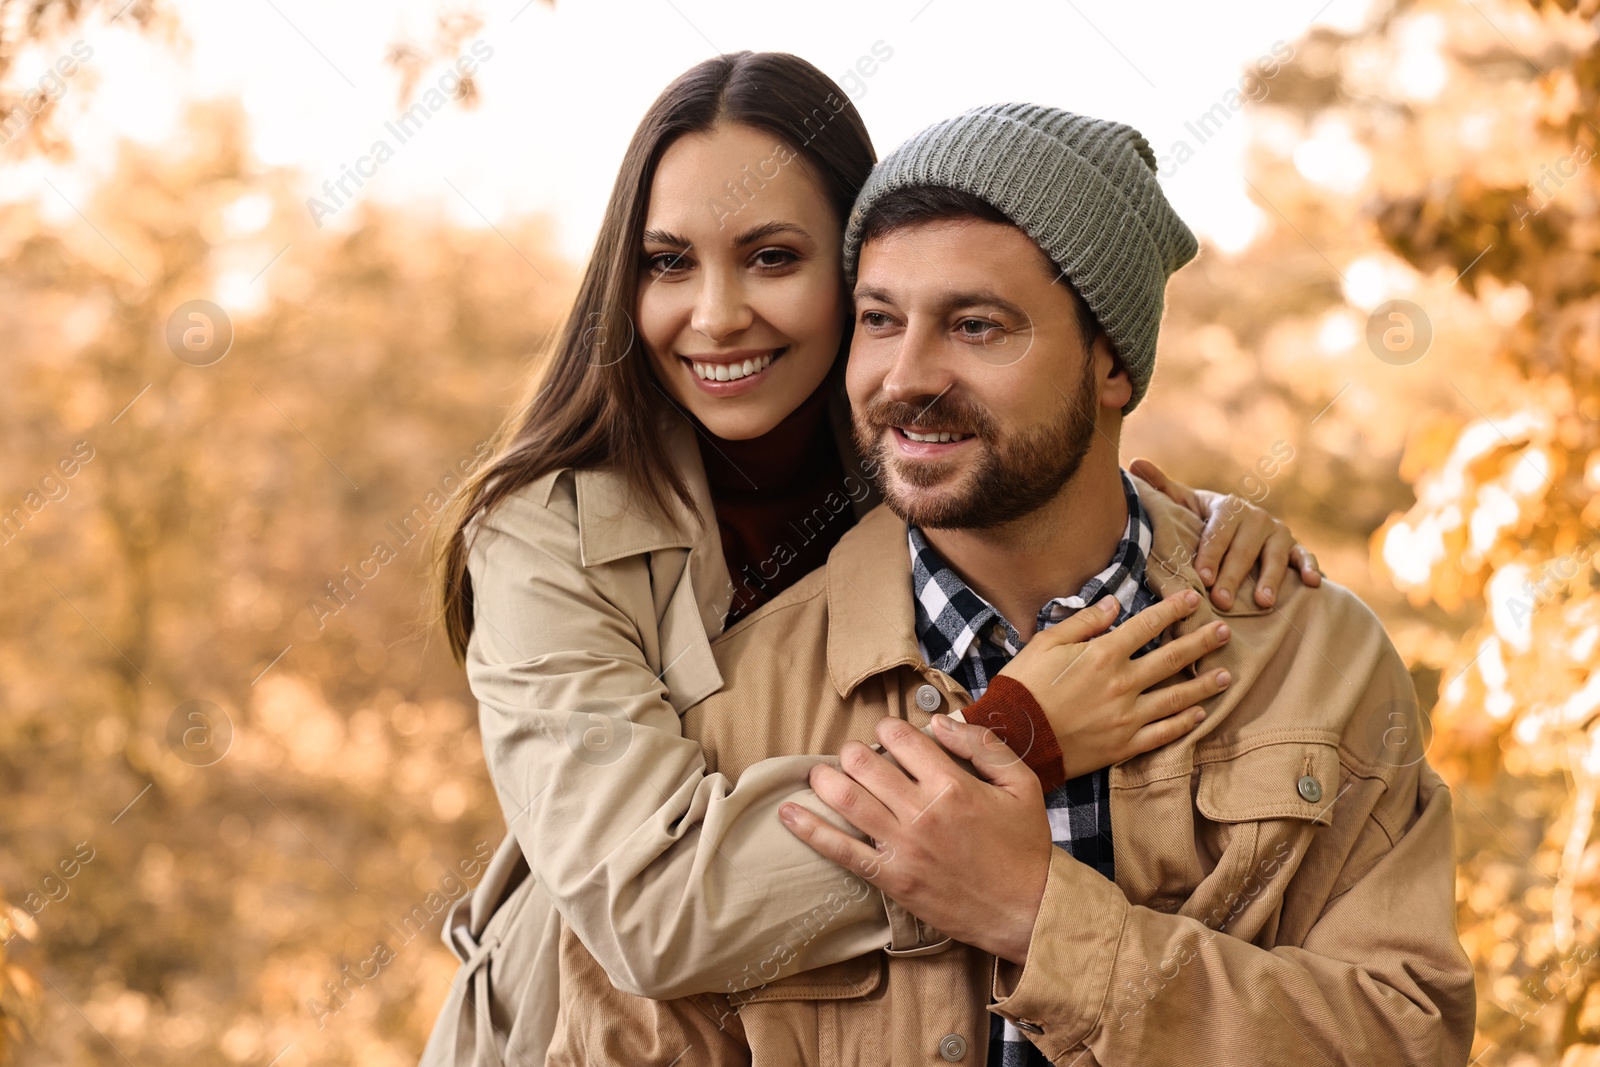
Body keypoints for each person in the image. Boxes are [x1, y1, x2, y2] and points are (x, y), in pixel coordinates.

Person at [421, 55, 1322, 1067]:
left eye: (770, 257)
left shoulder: (914, 460)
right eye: (668, 262)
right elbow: (650, 907)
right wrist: (1015, 736)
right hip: (566, 1032)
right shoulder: (541, 536)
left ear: (857, 273)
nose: (714, 314)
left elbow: (1061, 476)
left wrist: (1202, 521)